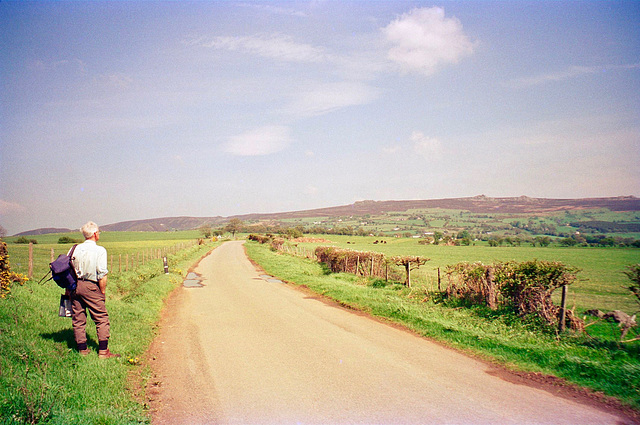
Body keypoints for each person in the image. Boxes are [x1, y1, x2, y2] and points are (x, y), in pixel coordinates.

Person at [68, 221, 120, 359]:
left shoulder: (74, 249)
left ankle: (82, 350)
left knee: (78, 318)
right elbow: (102, 274)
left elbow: (68, 270)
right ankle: (103, 351)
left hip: (74, 285)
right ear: (95, 234)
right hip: (91, 286)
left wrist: (69, 290)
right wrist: (102, 292)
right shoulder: (100, 250)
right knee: (101, 318)